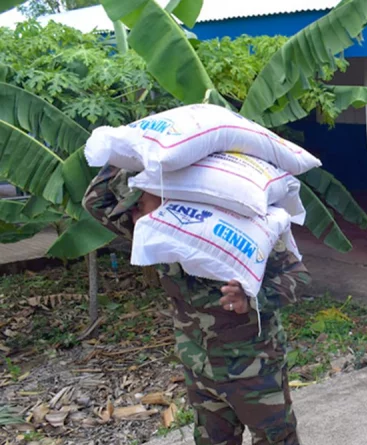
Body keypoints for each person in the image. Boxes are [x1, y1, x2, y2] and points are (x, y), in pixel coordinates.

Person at [82, 164, 310, 445]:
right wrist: (126, 157)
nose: (134, 215)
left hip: (254, 370)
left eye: (139, 204)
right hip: (200, 371)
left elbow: (298, 277)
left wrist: (252, 299)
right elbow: (95, 202)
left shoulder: (240, 231)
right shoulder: (151, 232)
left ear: (168, 197)